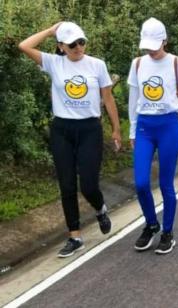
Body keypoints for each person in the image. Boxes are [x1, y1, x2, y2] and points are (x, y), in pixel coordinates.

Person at [18, 22, 121, 258]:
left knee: (88, 185)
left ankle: (100, 207)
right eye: (72, 44)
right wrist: (49, 30)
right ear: (61, 47)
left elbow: (108, 99)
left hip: (89, 129)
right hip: (62, 129)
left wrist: (116, 129)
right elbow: (24, 46)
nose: (78, 47)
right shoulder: (54, 63)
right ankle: (74, 236)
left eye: (81, 42)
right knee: (66, 185)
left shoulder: (97, 65)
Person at [127, 18, 178, 254]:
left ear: (165, 40)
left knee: (166, 183)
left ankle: (167, 232)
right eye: (147, 45)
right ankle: (151, 224)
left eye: (155, 45)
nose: (151, 50)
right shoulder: (137, 64)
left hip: (168, 125)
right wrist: (132, 129)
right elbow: (134, 98)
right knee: (141, 183)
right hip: (145, 126)